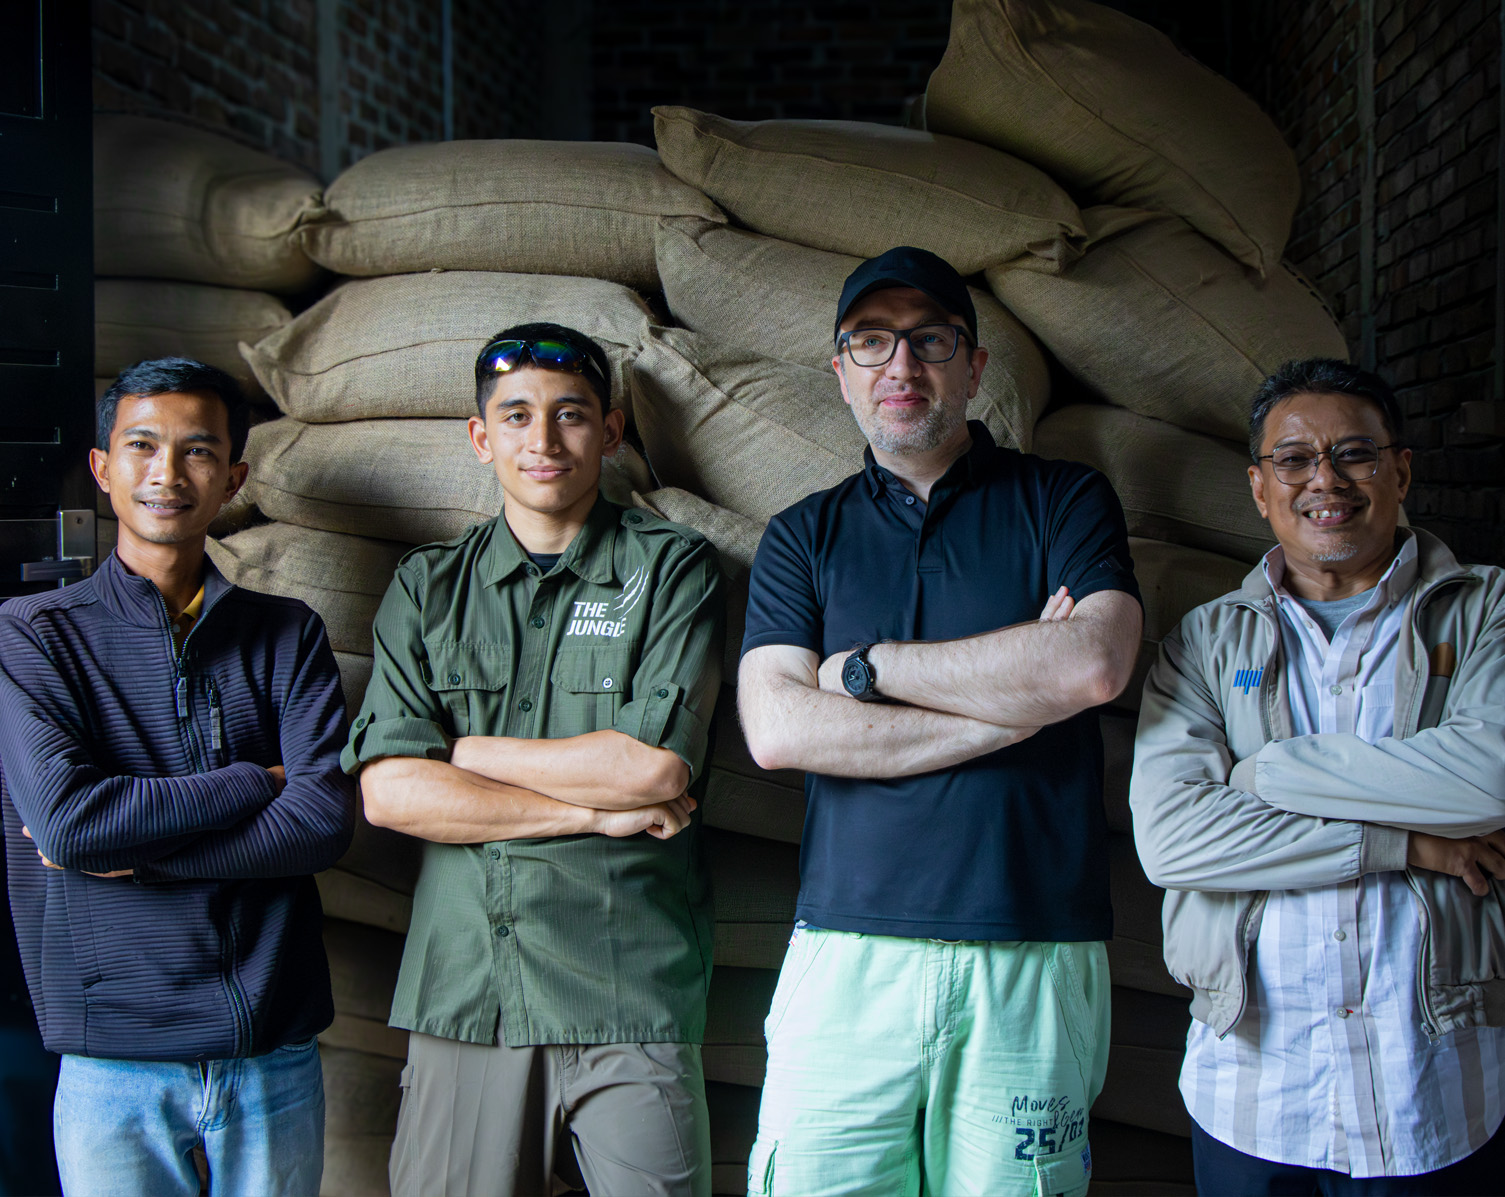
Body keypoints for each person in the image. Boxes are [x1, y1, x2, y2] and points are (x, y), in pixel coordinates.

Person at [737, 247, 1145, 1196]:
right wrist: (1009, 713)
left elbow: (1092, 661)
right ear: (839, 372)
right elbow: (779, 730)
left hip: (1032, 944)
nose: (901, 367)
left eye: (929, 341)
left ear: (974, 366)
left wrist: (868, 672)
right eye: (871, 343)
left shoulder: (1064, 499)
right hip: (848, 950)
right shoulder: (803, 533)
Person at [344, 323, 725, 1197]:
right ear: (482, 438)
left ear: (613, 430)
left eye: (570, 415)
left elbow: (655, 771)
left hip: (630, 985)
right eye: (515, 416)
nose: (542, 441)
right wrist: (588, 811)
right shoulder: (427, 587)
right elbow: (391, 792)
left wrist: (465, 752)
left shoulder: (670, 571)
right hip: (467, 991)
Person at [1130, 358, 1505, 1195]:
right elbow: (1172, 838)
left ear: (1399, 470)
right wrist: (1405, 840)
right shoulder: (1204, 640)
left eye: (1353, 454)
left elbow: (1489, 776)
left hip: (1437, 1087)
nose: (1324, 480)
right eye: (1294, 460)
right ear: (1260, 489)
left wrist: (1264, 772)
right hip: (1255, 1091)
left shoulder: (1487, 611)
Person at [0, 357, 357, 1196]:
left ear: (232, 477)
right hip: (111, 1057)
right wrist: (250, 780)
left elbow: (320, 823)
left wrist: (147, 855)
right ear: (102, 470)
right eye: (141, 446)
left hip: (271, 1048)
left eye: (197, 451)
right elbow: (69, 824)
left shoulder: (288, 635)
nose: (167, 473)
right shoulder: (35, 634)